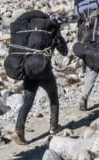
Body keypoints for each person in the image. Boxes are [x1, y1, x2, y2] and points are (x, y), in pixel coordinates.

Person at [12, 11, 68, 144]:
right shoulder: (51, 30)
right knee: (53, 97)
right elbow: (64, 51)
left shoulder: (28, 30)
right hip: (44, 70)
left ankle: (18, 131)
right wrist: (57, 36)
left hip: (28, 69)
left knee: (27, 102)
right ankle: (54, 127)